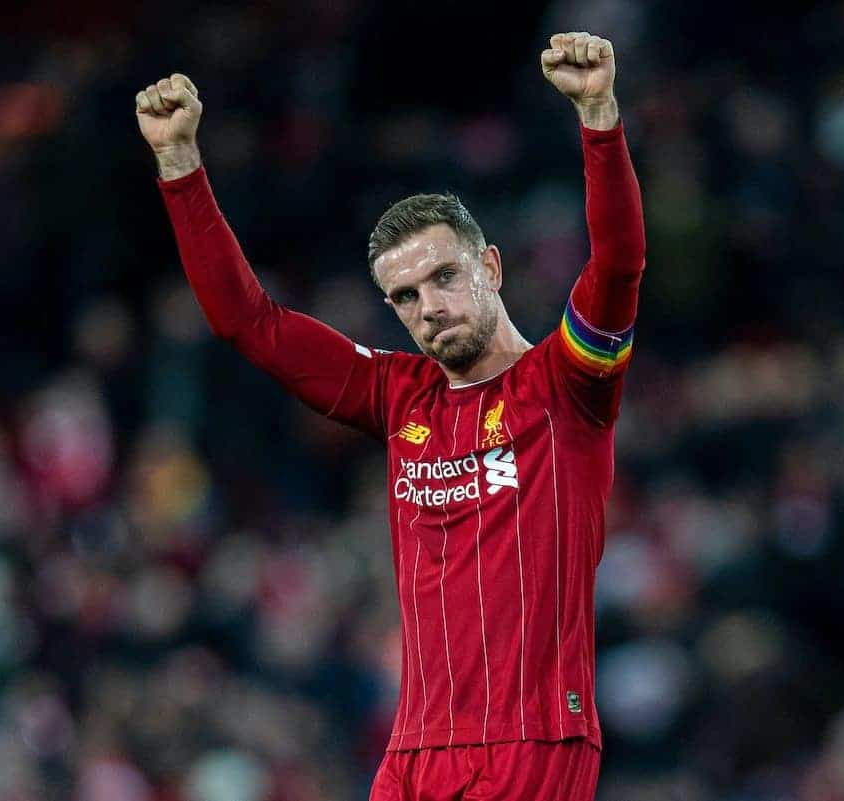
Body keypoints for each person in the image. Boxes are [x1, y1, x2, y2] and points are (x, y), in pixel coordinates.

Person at [136, 30, 644, 801]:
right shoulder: (397, 394)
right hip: (411, 753)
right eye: (405, 296)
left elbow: (617, 266)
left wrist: (599, 118)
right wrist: (180, 165)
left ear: (492, 267)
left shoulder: (568, 385)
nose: (429, 307)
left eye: (444, 277)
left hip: (532, 739)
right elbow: (250, 322)